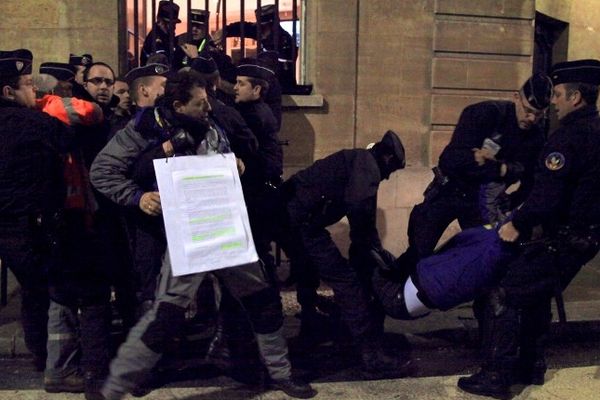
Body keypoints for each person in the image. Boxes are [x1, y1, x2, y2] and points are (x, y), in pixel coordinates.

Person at [94, 70, 316, 400]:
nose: (208, 107)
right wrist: (138, 197)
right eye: (200, 104)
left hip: (223, 225)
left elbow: (245, 158)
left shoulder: (213, 122)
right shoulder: (143, 129)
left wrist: (238, 165)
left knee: (263, 302)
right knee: (165, 314)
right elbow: (101, 170)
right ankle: (118, 385)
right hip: (183, 234)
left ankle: (281, 374)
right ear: (179, 105)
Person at [457, 59, 600, 399]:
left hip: (561, 238)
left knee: (506, 291)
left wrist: (516, 224)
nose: (553, 101)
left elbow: (548, 195)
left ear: (575, 97)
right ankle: (530, 365)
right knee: (535, 294)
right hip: (585, 238)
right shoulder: (595, 130)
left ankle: (496, 376)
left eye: (559, 95)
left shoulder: (565, 138)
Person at [275, 130, 409, 374]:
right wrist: (371, 250)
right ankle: (370, 355)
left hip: (289, 218)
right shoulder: (367, 166)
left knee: (307, 273)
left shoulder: (357, 159)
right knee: (347, 283)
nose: (388, 178)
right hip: (301, 223)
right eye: (392, 171)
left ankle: (309, 329)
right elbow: (360, 213)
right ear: (387, 159)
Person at [397, 73, 553, 271]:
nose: (531, 118)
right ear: (516, 97)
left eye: (539, 114)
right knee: (419, 250)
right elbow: (451, 160)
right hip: (449, 191)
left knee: (487, 257)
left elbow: (530, 180)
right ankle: (393, 292)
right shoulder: (486, 114)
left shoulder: (535, 138)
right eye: (528, 110)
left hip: (481, 204)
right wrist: (503, 169)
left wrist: (510, 200)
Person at [0, 48, 73, 373]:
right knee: (39, 289)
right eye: (28, 84)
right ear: (8, 91)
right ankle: (46, 356)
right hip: (25, 225)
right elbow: (68, 138)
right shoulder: (30, 122)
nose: (35, 91)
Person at [225, 4, 298, 91]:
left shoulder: (285, 41)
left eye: (263, 27)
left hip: (281, 89)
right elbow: (245, 28)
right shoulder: (263, 33)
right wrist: (226, 30)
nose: (260, 32)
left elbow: (279, 71)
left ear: (272, 26)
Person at [140, 0, 181, 66]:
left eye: (174, 24)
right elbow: (161, 61)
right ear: (160, 22)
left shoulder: (166, 36)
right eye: (169, 24)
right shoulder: (156, 37)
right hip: (153, 74)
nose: (173, 27)